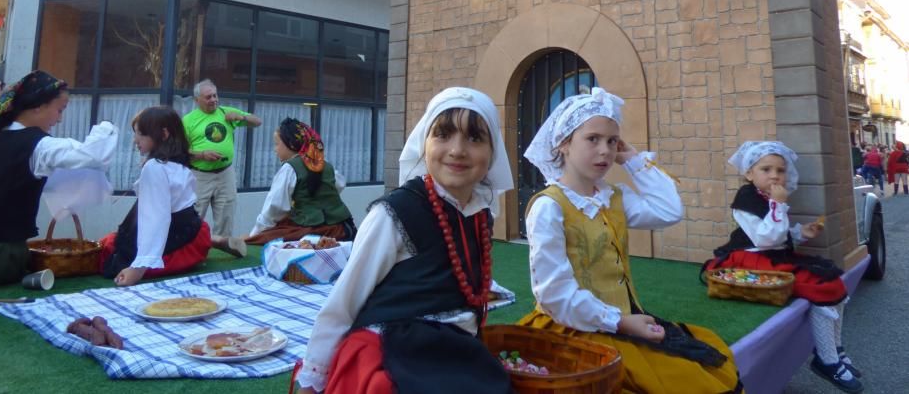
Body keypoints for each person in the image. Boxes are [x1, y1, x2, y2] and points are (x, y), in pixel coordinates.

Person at [519, 87, 741, 394]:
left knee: (700, 367)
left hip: (622, 320)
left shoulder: (611, 198)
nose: (605, 151)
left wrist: (632, 159)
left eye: (612, 141)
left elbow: (668, 210)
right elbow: (555, 294)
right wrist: (619, 322)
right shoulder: (550, 206)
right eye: (592, 139)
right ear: (564, 144)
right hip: (573, 329)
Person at [294, 87, 514, 394]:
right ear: (424, 142)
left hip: (450, 350)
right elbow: (344, 300)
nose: (457, 149)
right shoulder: (395, 212)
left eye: (475, 138)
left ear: (493, 153)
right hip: (391, 350)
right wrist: (313, 378)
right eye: (443, 134)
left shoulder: (479, 215)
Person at [704, 141, 862, 393]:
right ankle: (826, 359)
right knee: (822, 287)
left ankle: (835, 348)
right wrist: (778, 205)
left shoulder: (767, 198)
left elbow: (777, 233)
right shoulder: (746, 198)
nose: (775, 175)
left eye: (780, 170)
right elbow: (765, 239)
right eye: (766, 169)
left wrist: (800, 233)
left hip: (772, 255)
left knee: (834, 280)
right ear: (749, 174)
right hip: (750, 257)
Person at [0, 70, 116, 289]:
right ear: (38, 106)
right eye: (59, 110)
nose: (59, 119)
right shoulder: (36, 145)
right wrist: (106, 127)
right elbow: (93, 155)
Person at [100, 106, 247, 287]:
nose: (135, 140)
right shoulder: (178, 163)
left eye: (141, 134)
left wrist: (138, 267)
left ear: (164, 134)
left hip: (173, 238)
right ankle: (213, 240)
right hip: (193, 234)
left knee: (106, 250)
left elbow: (155, 217)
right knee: (111, 241)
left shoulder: (155, 166)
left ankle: (214, 240)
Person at [246, 117, 355, 245]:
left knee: (270, 238)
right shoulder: (325, 164)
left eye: (277, 144)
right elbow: (340, 184)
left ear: (291, 144)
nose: (275, 149)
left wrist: (255, 235)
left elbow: (273, 210)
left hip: (312, 231)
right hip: (342, 229)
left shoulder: (289, 169)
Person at [183, 79, 261, 237]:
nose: (213, 100)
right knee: (194, 216)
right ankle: (191, 248)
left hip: (226, 174)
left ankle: (221, 250)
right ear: (197, 100)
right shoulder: (188, 121)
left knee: (226, 216)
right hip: (200, 175)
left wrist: (241, 117)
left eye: (215, 95)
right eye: (208, 97)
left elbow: (258, 121)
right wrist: (202, 155)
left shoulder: (226, 112)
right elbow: (179, 150)